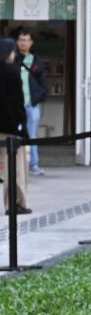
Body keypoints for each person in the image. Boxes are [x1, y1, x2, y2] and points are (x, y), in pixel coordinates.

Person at [0, 37, 29, 214]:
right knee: (15, 167)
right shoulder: (12, 72)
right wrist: (22, 125)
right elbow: (18, 102)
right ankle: (15, 203)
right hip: (10, 127)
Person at [15, 29, 45, 175]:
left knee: (32, 135)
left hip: (32, 104)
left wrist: (39, 96)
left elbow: (42, 81)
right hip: (15, 105)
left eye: (26, 40)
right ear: (17, 42)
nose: (23, 42)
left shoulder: (36, 60)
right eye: (21, 39)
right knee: (14, 135)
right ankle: (15, 166)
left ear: (31, 42)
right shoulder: (12, 58)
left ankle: (34, 165)